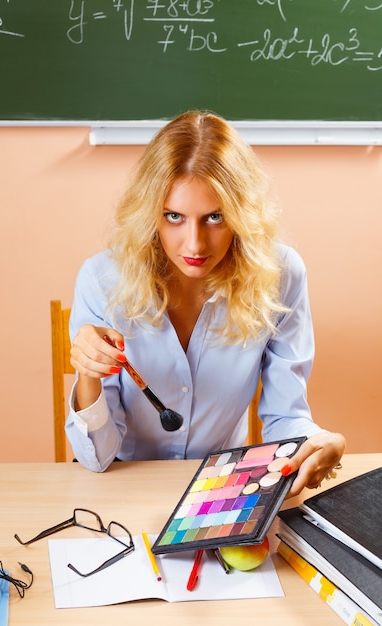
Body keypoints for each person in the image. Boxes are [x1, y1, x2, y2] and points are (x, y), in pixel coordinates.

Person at [66, 110, 345, 496]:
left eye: (215, 217)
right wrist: (88, 372)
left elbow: (286, 417)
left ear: (241, 214)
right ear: (151, 214)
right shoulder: (102, 280)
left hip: (224, 492)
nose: (195, 244)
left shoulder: (280, 276)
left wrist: (317, 444)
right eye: (174, 216)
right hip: (122, 492)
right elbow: (97, 458)